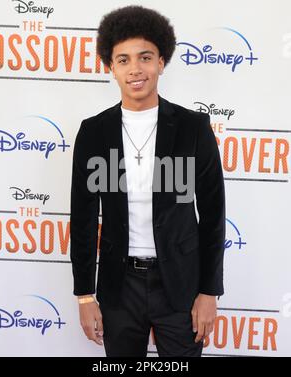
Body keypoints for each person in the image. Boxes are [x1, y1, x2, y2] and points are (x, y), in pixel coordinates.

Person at [70, 5, 225, 357]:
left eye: (145, 57)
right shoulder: (93, 132)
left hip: (182, 286)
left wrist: (208, 292)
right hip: (118, 286)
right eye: (122, 60)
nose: (135, 69)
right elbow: (81, 220)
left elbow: (214, 216)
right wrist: (84, 295)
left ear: (161, 62)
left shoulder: (192, 128)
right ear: (110, 67)